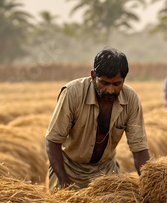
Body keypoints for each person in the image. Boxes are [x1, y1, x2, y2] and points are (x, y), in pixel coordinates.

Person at [45, 48, 150, 191]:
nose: (110, 90)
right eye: (104, 83)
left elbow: (139, 149)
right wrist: (64, 182)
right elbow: (53, 140)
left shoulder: (131, 99)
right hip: (69, 169)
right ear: (93, 76)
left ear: (123, 80)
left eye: (117, 84)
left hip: (106, 171)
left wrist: (148, 184)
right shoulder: (72, 93)